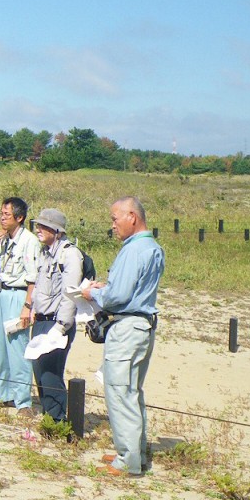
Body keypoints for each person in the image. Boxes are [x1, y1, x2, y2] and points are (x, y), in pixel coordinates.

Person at [82, 197, 164, 477]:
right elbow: (133, 287)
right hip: (142, 325)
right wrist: (110, 287)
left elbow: (118, 297)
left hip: (128, 326)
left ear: (132, 216)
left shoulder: (132, 251)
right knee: (132, 391)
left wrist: (93, 293)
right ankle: (133, 451)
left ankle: (128, 460)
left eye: (115, 219)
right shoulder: (152, 247)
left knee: (119, 391)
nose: (112, 225)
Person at [0, 197, 40, 417]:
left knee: (18, 347)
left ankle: (23, 400)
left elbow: (33, 278)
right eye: (1, 213)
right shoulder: (4, 239)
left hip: (18, 296)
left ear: (19, 218)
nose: (2, 218)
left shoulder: (29, 241)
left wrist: (27, 306)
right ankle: (4, 393)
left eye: (6, 215)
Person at [28, 208, 81, 421]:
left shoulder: (70, 254)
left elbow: (70, 294)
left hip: (57, 324)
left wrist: (60, 327)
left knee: (51, 374)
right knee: (39, 372)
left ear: (57, 230)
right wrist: (33, 310)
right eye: (38, 225)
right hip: (41, 320)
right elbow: (40, 285)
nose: (38, 230)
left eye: (43, 226)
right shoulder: (44, 252)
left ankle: (57, 420)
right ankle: (49, 416)